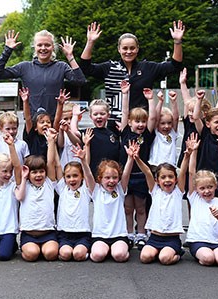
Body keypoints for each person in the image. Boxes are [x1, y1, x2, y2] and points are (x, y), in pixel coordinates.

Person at [79, 21, 185, 130]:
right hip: (115, 125)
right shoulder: (109, 68)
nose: (128, 52)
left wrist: (177, 41)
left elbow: (175, 66)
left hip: (141, 126)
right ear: (119, 49)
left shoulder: (148, 68)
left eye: (132, 48)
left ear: (137, 49)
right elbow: (85, 68)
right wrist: (90, 42)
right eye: (125, 48)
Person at [0, 30, 86, 116]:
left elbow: (80, 81)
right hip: (32, 122)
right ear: (34, 47)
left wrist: (70, 56)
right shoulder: (24, 67)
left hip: (54, 121)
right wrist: (7, 50)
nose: (43, 48)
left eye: (47, 45)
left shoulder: (61, 67)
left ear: (53, 47)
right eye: (39, 45)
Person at [134, 138, 190, 265]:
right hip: (155, 237)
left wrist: (187, 156)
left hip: (171, 239)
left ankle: (177, 253)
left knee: (165, 259)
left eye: (171, 176)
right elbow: (147, 171)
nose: (167, 180)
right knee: (145, 257)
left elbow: (183, 172)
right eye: (163, 177)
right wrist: (136, 157)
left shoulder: (178, 192)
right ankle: (160, 251)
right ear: (157, 180)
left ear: (176, 179)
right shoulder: (155, 191)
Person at [87, 132, 136, 263]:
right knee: (97, 256)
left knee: (119, 256)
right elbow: (87, 174)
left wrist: (130, 158)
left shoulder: (120, 189)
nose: (111, 181)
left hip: (118, 235)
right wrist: (82, 159)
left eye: (115, 177)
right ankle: (102, 249)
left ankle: (123, 247)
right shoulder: (95, 190)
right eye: (107, 178)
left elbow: (126, 173)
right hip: (100, 235)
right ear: (100, 179)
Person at [120, 83, 157, 248]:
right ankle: (129, 233)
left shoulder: (147, 135)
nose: (141, 124)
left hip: (141, 176)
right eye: (137, 121)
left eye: (143, 121)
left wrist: (150, 100)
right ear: (129, 122)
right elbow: (124, 113)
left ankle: (141, 234)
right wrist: (125, 94)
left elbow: (154, 119)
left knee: (141, 208)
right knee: (128, 207)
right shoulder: (125, 132)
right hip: (127, 176)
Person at [15, 129, 62, 262]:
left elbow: (51, 162)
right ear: (28, 173)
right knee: (32, 255)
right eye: (34, 172)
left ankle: (44, 247)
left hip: (48, 232)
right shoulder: (24, 184)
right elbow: (16, 165)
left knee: (51, 254)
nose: (38, 175)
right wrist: (11, 146)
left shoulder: (48, 183)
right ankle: (28, 249)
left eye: (41, 171)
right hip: (29, 234)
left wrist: (51, 142)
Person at [186, 134, 218, 267]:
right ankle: (200, 256)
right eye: (202, 188)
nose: (206, 191)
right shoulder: (194, 197)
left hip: (216, 241)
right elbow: (191, 173)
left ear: (216, 186)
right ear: (196, 189)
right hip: (198, 240)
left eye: (210, 187)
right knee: (208, 258)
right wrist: (194, 152)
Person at [56, 143, 94, 261]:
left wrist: (83, 157)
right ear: (64, 178)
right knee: (66, 254)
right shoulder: (62, 188)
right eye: (68, 176)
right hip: (65, 233)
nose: (72, 179)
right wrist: (52, 142)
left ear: (81, 177)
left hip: (82, 233)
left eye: (75, 176)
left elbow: (87, 172)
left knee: (78, 255)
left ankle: (86, 251)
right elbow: (57, 165)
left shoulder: (86, 190)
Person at [148, 88, 180, 166]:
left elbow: (176, 118)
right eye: (162, 123)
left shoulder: (172, 133)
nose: (166, 126)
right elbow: (155, 118)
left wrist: (173, 102)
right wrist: (160, 101)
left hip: (170, 166)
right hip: (156, 165)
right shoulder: (156, 133)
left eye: (169, 123)